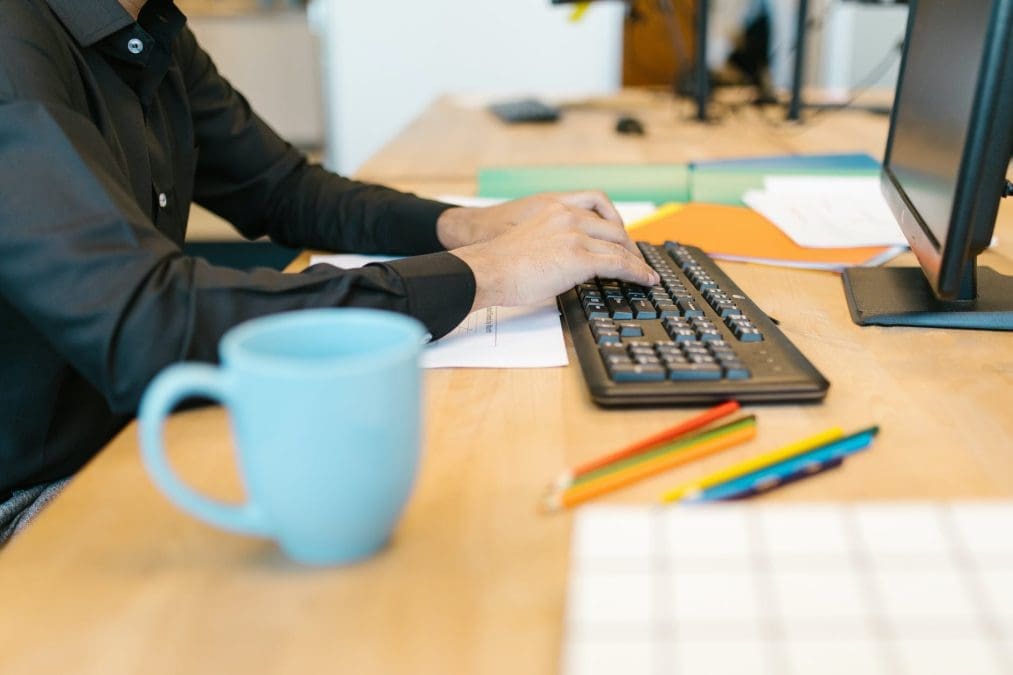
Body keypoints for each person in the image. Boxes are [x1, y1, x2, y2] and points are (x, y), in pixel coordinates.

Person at [0, 0, 659, 532]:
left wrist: (464, 224)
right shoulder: (13, 49)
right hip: (35, 489)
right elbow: (149, 319)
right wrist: (484, 273)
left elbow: (284, 189)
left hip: (127, 429)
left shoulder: (146, 27)